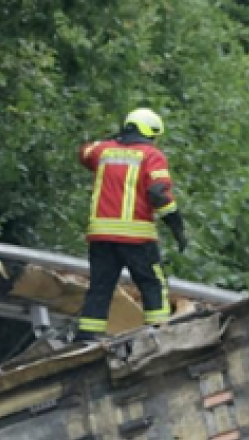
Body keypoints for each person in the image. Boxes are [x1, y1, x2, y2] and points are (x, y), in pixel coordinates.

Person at [75, 107, 190, 341]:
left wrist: (115, 138)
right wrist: (177, 226)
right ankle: (158, 334)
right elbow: (158, 194)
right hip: (137, 237)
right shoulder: (151, 155)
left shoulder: (104, 151)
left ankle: (86, 336)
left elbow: (85, 151)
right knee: (152, 284)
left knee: (100, 286)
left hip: (101, 235)